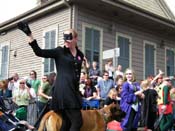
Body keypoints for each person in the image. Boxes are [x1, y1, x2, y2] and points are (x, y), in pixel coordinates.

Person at [17, 21, 84, 131]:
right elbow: (39, 52)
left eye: (69, 39)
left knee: (66, 123)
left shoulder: (80, 55)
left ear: (76, 39)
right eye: (65, 39)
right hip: (63, 91)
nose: (66, 41)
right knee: (77, 122)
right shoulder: (60, 51)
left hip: (73, 92)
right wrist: (30, 35)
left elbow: (77, 74)